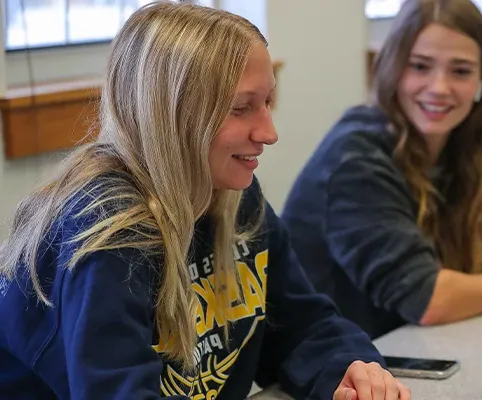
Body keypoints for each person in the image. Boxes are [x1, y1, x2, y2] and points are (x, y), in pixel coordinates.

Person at [0, 3, 410, 400]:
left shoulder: (234, 197)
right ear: (171, 114)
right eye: (240, 108)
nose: (269, 132)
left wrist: (354, 372)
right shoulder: (107, 234)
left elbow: (301, 328)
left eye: (267, 102)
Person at [280, 0, 482, 340]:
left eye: (461, 71)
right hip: (340, 370)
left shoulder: (478, 146)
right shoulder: (353, 159)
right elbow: (427, 299)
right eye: (420, 66)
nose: (439, 87)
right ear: (391, 68)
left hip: (419, 348)